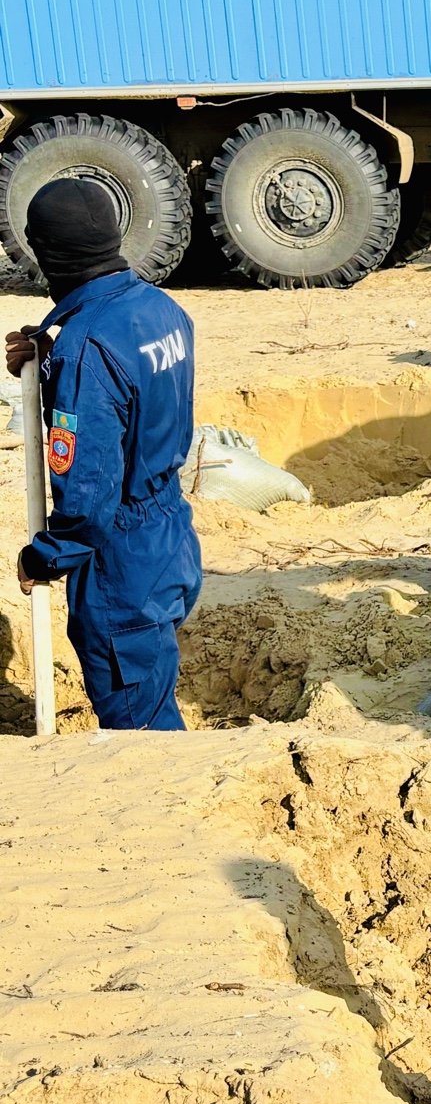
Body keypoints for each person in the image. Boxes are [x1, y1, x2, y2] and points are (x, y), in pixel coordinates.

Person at [5, 178, 200, 729]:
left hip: (121, 561)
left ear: (46, 253)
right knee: (152, 691)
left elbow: (89, 500)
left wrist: (43, 557)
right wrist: (52, 361)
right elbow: (132, 401)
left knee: (140, 729)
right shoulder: (161, 309)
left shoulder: (85, 349)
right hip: (169, 534)